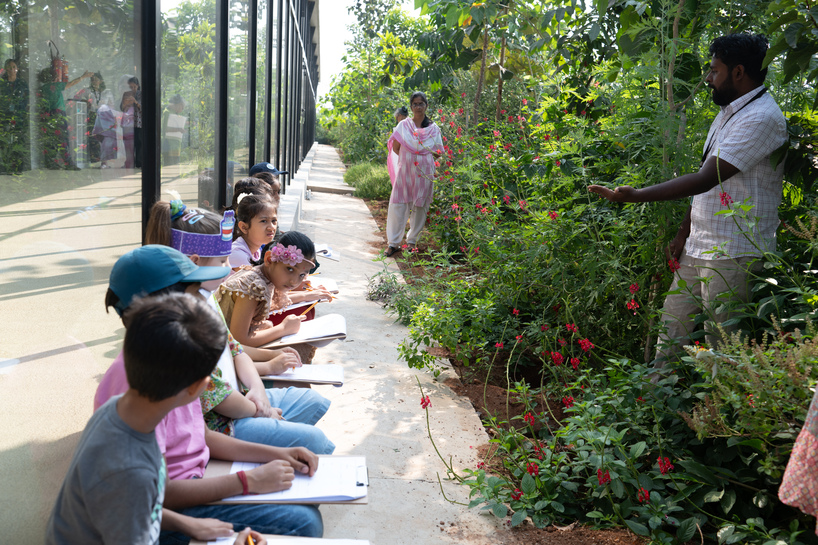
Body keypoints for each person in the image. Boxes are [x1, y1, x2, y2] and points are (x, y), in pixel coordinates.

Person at [588, 33, 787, 379]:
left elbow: (707, 178)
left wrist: (634, 195)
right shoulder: (729, 112)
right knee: (671, 335)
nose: (709, 78)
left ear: (738, 72)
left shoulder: (762, 117)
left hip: (735, 252)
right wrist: (685, 231)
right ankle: (656, 410)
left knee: (722, 350)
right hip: (700, 246)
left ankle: (720, 425)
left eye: (714, 70)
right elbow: (704, 175)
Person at [94, 245, 324, 544]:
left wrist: (279, 455)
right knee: (304, 523)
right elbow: (153, 496)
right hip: (167, 510)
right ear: (161, 306)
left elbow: (199, 434)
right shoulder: (135, 382)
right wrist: (247, 481)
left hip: (199, 476)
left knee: (304, 497)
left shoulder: (170, 356)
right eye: (194, 294)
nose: (202, 302)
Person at [141, 199, 334, 454]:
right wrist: (260, 409)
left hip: (243, 399)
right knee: (314, 441)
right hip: (224, 424)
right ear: (195, 262)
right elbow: (216, 396)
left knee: (313, 401)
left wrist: (258, 391)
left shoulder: (205, 300)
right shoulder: (180, 324)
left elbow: (235, 349)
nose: (229, 268)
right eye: (223, 261)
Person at [46, 292, 226, 544]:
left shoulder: (118, 409)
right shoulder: (132, 472)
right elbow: (133, 501)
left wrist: (188, 524)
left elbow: (143, 508)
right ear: (198, 387)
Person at [216, 231, 319, 349]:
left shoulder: (264, 276)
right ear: (269, 259)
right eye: (290, 269)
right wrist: (283, 329)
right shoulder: (252, 287)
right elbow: (239, 341)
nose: (294, 281)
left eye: (301, 275)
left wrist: (305, 296)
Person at [385, 92, 444, 257]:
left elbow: (438, 151)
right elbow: (396, 147)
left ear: (426, 106)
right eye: (415, 104)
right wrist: (411, 156)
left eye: (421, 103)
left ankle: (411, 242)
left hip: (424, 173)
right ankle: (393, 243)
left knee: (420, 207)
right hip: (405, 171)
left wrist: (420, 156)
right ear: (411, 107)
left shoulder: (434, 128)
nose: (418, 107)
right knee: (398, 205)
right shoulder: (404, 126)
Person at [37, 66, 93, 169]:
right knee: (62, 138)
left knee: (51, 139)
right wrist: (83, 76)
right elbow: (71, 83)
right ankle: (68, 163)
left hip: (47, 115)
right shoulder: (56, 86)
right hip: (58, 114)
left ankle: (50, 163)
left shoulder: (43, 88)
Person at [229, 192, 278, 269]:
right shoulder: (238, 254)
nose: (271, 227)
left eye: (274, 220)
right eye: (264, 221)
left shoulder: (257, 251)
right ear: (244, 227)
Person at [73, 72, 105, 164]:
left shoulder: (103, 92)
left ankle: (103, 159)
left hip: (102, 116)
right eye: (92, 79)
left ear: (101, 81)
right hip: (91, 115)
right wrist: (84, 101)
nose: (93, 81)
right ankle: (94, 159)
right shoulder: (86, 90)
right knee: (93, 137)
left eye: (96, 79)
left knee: (103, 137)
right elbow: (75, 98)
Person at [386, 106, 409, 187]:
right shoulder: (411, 125)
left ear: (399, 116)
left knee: (400, 177)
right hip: (404, 155)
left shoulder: (402, 126)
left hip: (400, 155)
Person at [162, 94, 187, 166]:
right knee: (169, 166)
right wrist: (179, 129)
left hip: (176, 145)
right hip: (168, 144)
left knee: (176, 167)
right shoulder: (167, 112)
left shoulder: (174, 113)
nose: (182, 110)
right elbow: (164, 129)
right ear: (179, 104)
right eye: (182, 107)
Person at [128, 76, 143, 168]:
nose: (133, 89)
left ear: (138, 85)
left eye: (134, 86)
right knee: (131, 143)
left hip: (139, 122)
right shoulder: (127, 94)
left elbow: (142, 108)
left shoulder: (141, 94)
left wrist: (135, 102)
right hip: (129, 123)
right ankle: (131, 162)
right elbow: (122, 107)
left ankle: (139, 162)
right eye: (131, 87)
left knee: (140, 142)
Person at [120, 90, 137, 168]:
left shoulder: (133, 109)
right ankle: (128, 163)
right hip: (126, 130)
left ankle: (130, 163)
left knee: (130, 147)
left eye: (129, 98)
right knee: (127, 147)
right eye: (125, 98)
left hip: (131, 130)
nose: (127, 100)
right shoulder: (125, 109)